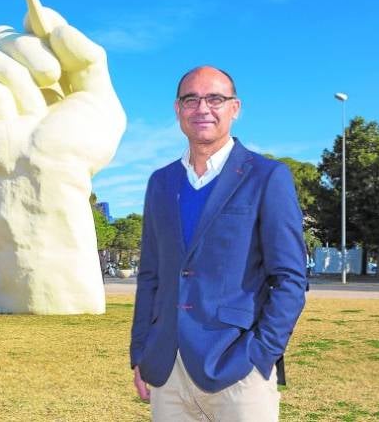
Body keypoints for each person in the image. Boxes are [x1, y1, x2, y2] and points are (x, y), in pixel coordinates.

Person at [130, 66, 307, 421]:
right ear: (178, 109)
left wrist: (262, 354)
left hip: (238, 369)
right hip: (168, 369)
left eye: (215, 98)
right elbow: (151, 275)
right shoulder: (160, 182)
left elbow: (290, 278)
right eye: (190, 99)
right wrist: (141, 353)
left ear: (235, 108)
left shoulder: (267, 177)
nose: (202, 108)